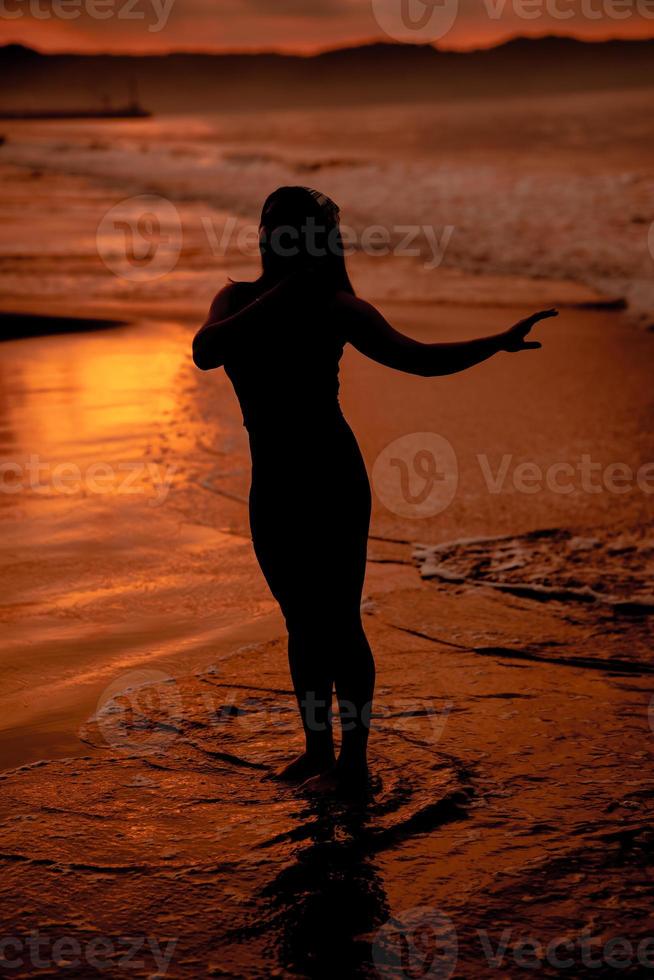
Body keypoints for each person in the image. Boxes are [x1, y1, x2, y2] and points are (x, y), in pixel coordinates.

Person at [193, 185, 557, 796]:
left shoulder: (339, 308)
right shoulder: (237, 298)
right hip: (273, 485)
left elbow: (420, 359)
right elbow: (207, 351)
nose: (275, 236)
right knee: (300, 622)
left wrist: (494, 343)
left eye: (290, 227)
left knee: (337, 621)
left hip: (331, 478)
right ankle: (317, 752)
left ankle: (354, 762)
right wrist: (285, 291)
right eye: (269, 225)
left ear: (314, 238)